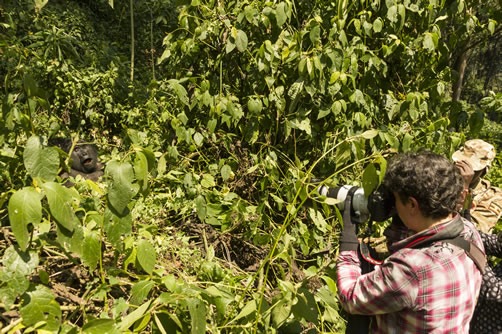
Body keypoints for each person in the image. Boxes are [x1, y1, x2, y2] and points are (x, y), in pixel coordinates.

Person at [336, 151, 485, 333]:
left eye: (397, 200)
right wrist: (398, 216)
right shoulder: (469, 232)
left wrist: (348, 243)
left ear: (413, 205)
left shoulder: (412, 269)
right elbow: (418, 239)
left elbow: (350, 297)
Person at [452, 139, 502, 233]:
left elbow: (472, 232)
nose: (461, 171)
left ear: (484, 171)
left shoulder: (493, 196)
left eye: (472, 169)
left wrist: (463, 188)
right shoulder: (442, 179)